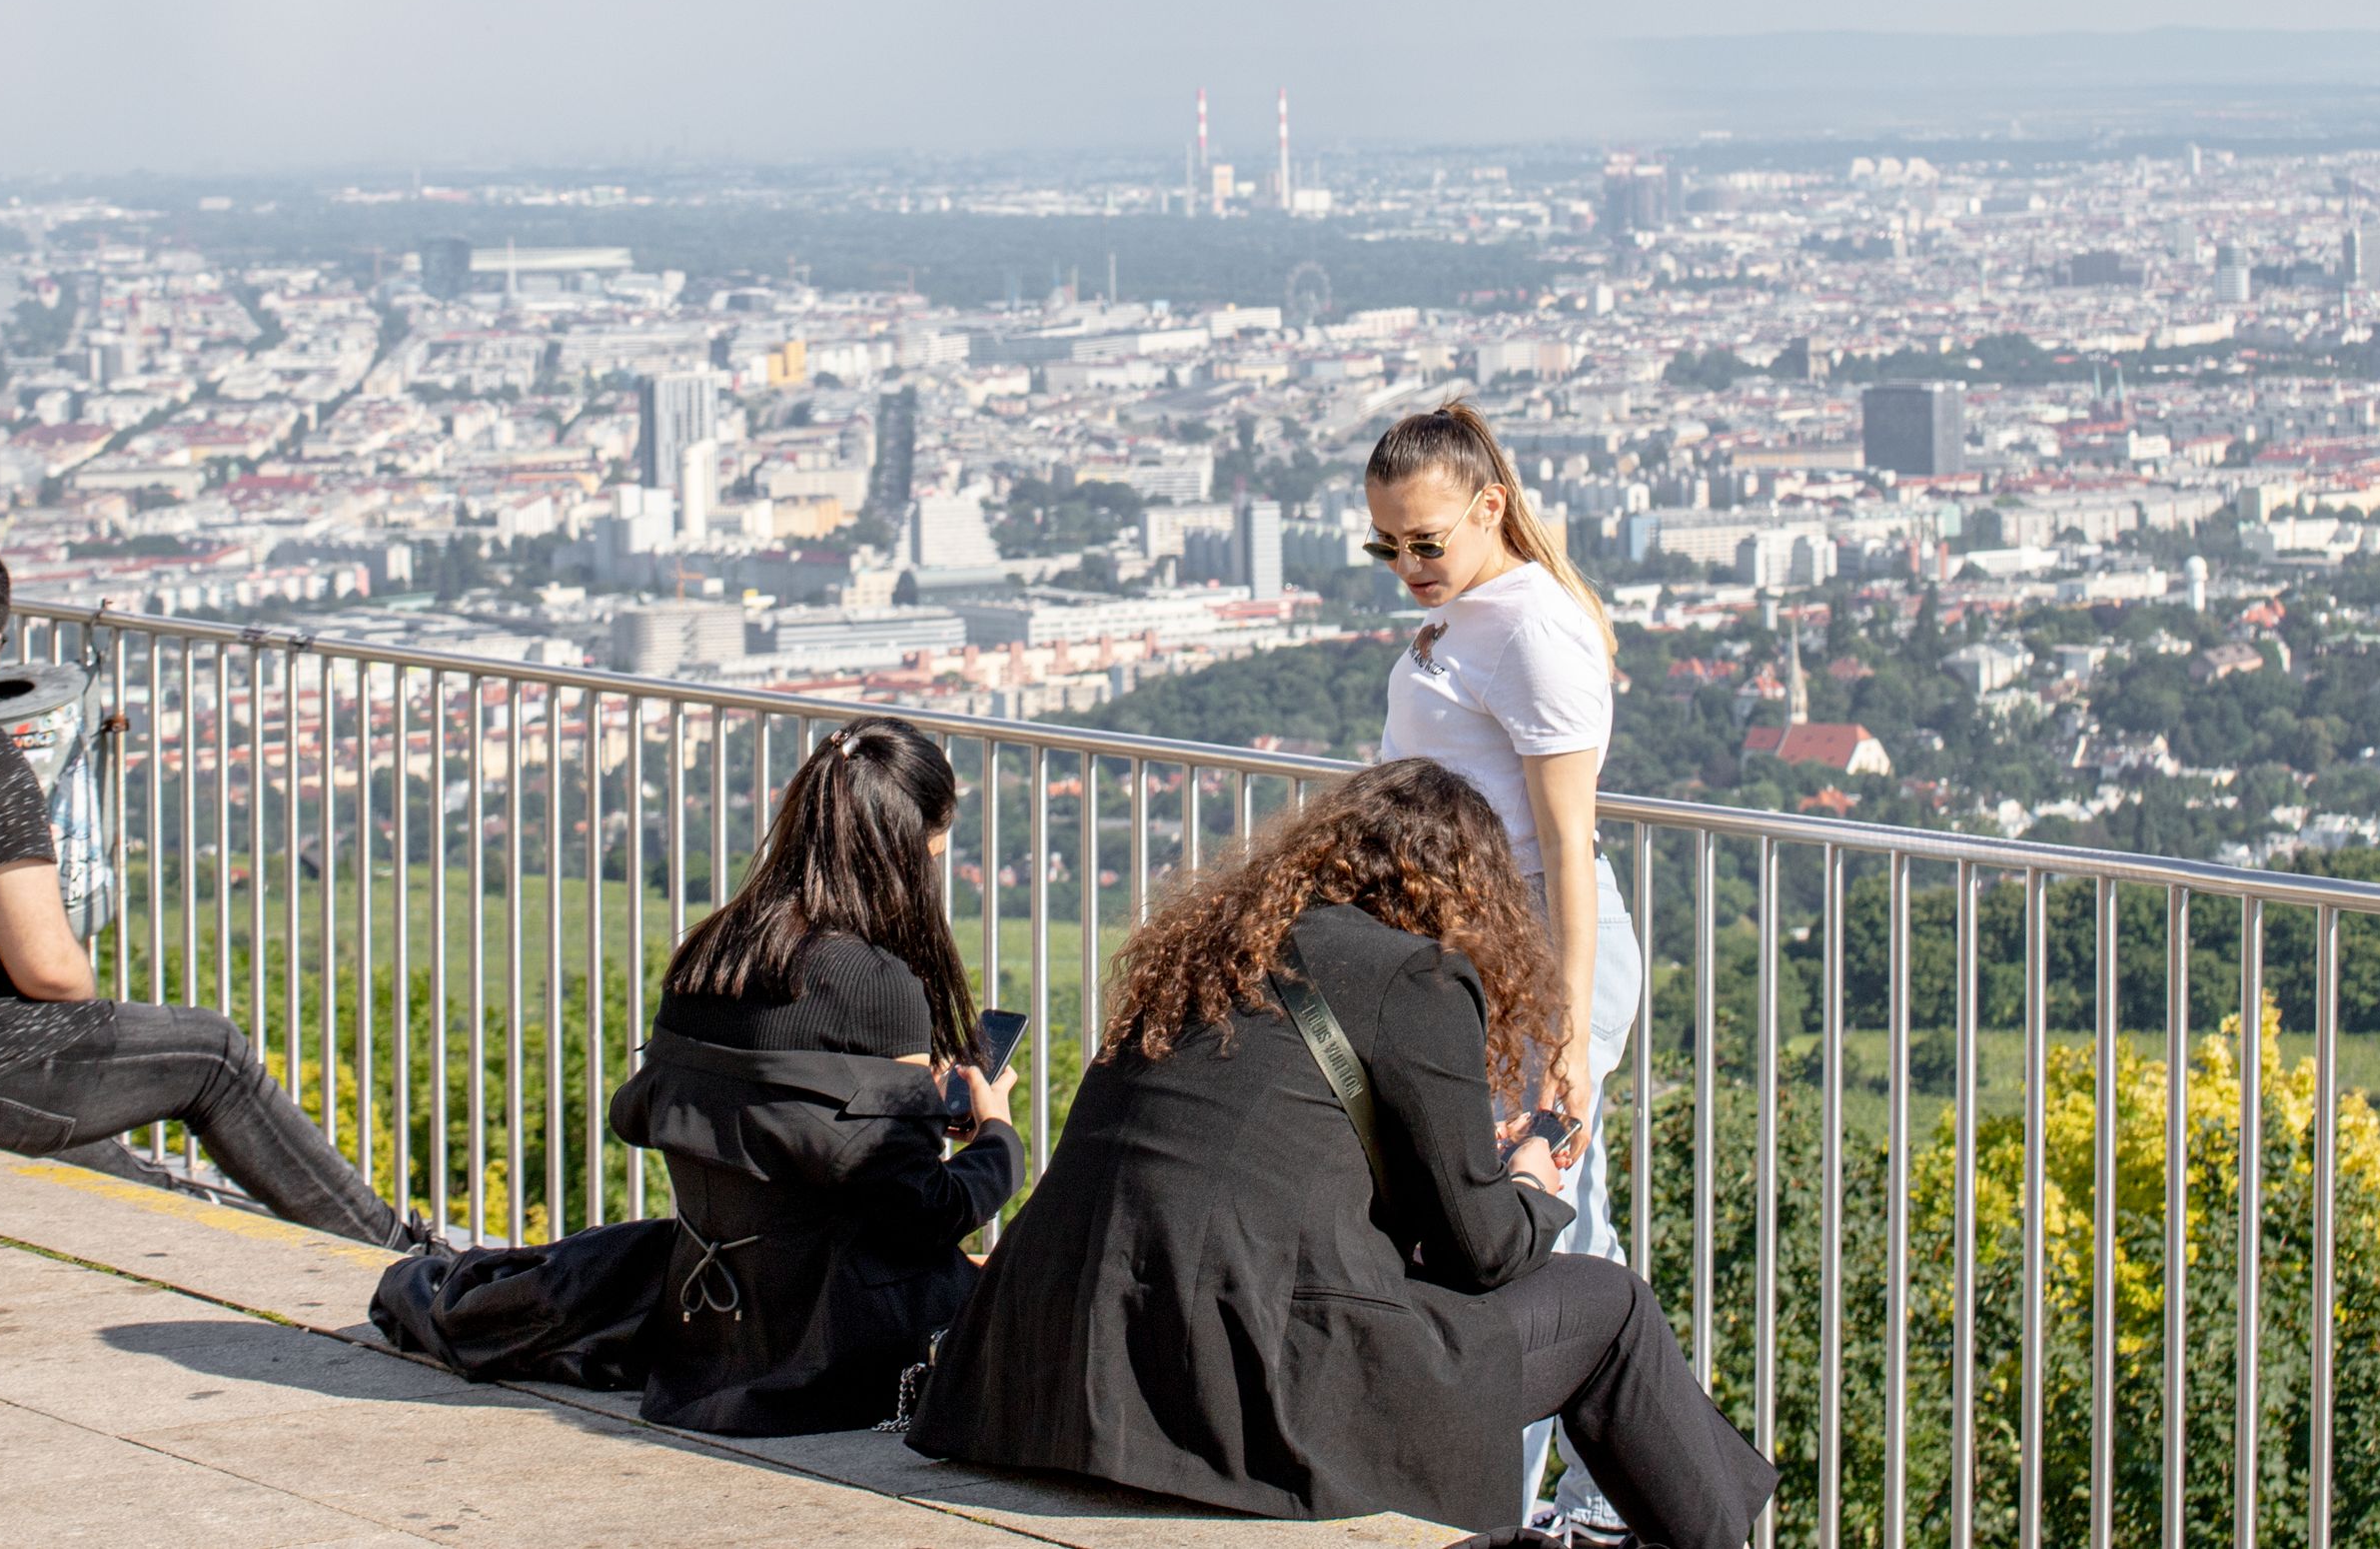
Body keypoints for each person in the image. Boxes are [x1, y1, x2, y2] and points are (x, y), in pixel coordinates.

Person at [906, 761, 1775, 1549]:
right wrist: (1532, 1177)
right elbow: (1486, 1252)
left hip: (1043, 1374)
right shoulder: (1416, 978)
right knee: (1610, 1303)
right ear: (1464, 888)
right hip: (1244, 1397)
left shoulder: (1199, 958)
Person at [0, 532, 411, 1246]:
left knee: (51, 1093)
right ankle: (398, 1251)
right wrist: (83, 1009)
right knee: (209, 1052)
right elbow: (50, 972)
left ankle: (182, 1229)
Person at [576, 716, 1020, 1433]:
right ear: (909, 849)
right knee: (1023, 1282)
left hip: (705, 1330)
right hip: (830, 1349)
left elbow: (787, 1116)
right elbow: (920, 1211)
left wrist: (916, 1104)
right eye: (935, 847)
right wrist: (996, 1135)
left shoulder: (709, 950)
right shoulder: (881, 984)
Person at [1365, 399, 1642, 1531]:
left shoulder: (1529, 627)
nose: (1407, 566)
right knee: (1561, 1222)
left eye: (1427, 542)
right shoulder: (1478, 610)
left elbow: (1566, 851)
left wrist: (1568, 1030)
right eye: (1387, 546)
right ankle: (1611, 1485)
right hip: (1474, 953)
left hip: (1533, 957)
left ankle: (1522, 1497)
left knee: (1516, 1226)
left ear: (1490, 508)